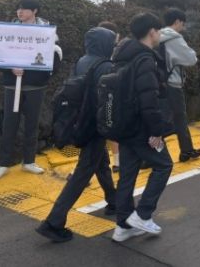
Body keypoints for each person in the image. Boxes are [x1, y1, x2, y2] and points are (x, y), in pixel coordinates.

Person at [36, 27, 117, 242]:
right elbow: (106, 100)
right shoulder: (106, 65)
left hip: (80, 122)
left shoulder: (82, 61)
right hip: (95, 125)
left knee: (101, 163)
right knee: (83, 172)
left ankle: (114, 201)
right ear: (105, 44)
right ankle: (53, 222)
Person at [113, 13, 173, 243]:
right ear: (151, 32)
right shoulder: (145, 59)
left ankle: (122, 227)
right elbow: (148, 99)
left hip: (124, 125)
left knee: (127, 175)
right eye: (159, 31)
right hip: (141, 128)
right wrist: (156, 131)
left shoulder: (122, 55)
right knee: (164, 165)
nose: (160, 35)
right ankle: (143, 214)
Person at [0, 0, 62, 181]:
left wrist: (40, 75)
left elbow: (53, 58)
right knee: (9, 123)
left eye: (24, 9)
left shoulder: (47, 32)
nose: (19, 12)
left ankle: (29, 161)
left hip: (36, 86)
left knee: (32, 124)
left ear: (35, 11)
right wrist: (10, 69)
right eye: (18, 9)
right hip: (12, 85)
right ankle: (3, 163)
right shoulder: (9, 31)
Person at [159, 8, 200, 163]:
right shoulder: (174, 38)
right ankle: (186, 150)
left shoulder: (156, 36)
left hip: (157, 83)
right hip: (172, 83)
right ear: (177, 21)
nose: (183, 28)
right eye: (183, 24)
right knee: (179, 118)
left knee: (160, 118)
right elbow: (191, 59)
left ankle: (183, 150)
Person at [97, 21, 122, 172]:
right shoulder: (114, 54)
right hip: (110, 97)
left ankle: (117, 161)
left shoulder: (92, 53)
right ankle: (117, 162)